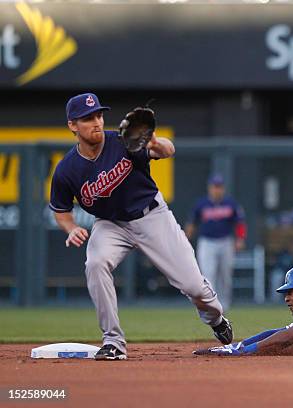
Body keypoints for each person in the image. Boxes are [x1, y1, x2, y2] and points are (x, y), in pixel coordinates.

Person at [50, 93, 233, 360]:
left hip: (151, 216)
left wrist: (155, 142)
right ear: (73, 125)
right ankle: (113, 341)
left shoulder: (121, 142)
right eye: (88, 118)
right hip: (111, 224)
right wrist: (70, 228)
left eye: (99, 115)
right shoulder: (67, 169)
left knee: (195, 287)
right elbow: (61, 210)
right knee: (95, 263)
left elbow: (168, 151)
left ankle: (216, 319)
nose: (96, 122)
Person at [184, 174, 246, 309]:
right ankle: (212, 305)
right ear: (209, 188)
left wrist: (240, 239)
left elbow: (240, 223)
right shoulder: (201, 203)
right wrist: (186, 239)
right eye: (214, 187)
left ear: (223, 188)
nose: (217, 190)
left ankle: (225, 305)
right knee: (208, 274)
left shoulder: (230, 203)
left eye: (219, 187)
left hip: (225, 241)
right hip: (207, 242)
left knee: (225, 276)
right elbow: (192, 222)